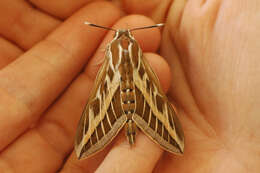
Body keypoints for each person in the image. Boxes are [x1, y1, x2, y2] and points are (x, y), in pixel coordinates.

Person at [0, 0, 259, 172]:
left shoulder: (112, 54)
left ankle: (125, 128)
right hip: (140, 87)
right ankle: (150, 126)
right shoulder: (135, 52)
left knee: (103, 103)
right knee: (149, 91)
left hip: (115, 89)